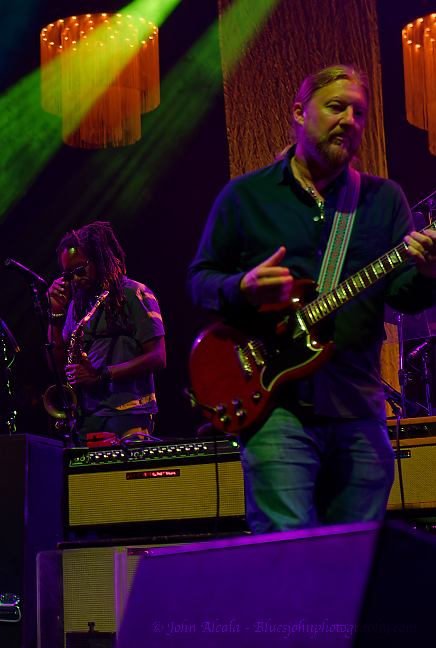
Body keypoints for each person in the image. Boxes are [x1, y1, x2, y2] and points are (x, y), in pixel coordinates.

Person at [187, 64, 436, 534]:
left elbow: (403, 297)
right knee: (288, 558)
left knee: (355, 563)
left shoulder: (384, 200)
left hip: (358, 407)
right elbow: (199, 279)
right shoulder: (246, 195)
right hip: (276, 409)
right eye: (336, 107)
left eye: (359, 113)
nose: (349, 120)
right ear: (300, 113)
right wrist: (242, 288)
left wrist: (428, 273)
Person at [46, 221, 166, 443]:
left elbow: (158, 357)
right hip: (86, 417)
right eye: (68, 274)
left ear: (99, 259)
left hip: (129, 414)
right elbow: (56, 365)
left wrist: (101, 375)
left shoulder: (135, 294)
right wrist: (55, 313)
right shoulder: (76, 306)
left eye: (80, 270)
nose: (75, 279)